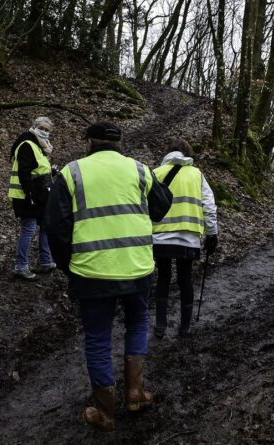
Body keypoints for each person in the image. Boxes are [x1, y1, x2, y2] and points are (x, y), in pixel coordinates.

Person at [44, 122, 172, 432]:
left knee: (99, 339)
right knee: (138, 323)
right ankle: (135, 394)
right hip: (137, 268)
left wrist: (68, 265)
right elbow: (162, 206)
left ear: (88, 142)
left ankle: (105, 413)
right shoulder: (139, 170)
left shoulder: (72, 172)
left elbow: (56, 227)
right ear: (119, 143)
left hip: (92, 272)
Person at [151, 140, 218, 338]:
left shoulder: (156, 173)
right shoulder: (196, 175)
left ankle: (160, 326)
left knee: (163, 277)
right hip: (188, 237)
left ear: (167, 153)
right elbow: (209, 205)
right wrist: (212, 234)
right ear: (187, 154)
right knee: (185, 278)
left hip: (160, 237)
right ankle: (185, 327)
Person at [8, 116, 57, 280]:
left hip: (41, 194)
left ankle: (46, 261)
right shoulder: (27, 144)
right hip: (27, 196)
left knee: (44, 226)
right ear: (34, 127)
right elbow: (24, 173)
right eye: (41, 128)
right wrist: (30, 195)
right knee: (29, 229)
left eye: (47, 130)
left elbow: (39, 170)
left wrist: (52, 172)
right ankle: (21, 266)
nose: (44, 132)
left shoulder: (40, 146)